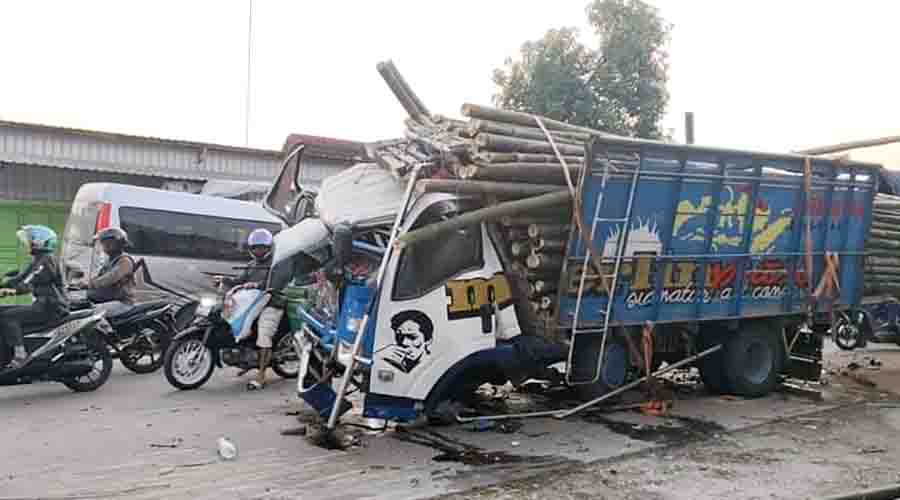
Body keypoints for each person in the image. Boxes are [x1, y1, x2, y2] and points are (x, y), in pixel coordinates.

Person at [0, 225, 69, 370]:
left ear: (41, 241)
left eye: (31, 240)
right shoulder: (39, 260)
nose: (28, 243)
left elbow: (28, 281)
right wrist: (4, 285)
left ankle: (20, 355)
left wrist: (11, 291)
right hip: (42, 304)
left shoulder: (46, 260)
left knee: (8, 317)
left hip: (51, 307)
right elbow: (21, 278)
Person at [222, 228, 282, 390]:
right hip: (252, 304)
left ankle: (261, 375)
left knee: (264, 335)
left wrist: (258, 285)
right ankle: (243, 355)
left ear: (269, 247)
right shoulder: (252, 264)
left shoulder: (276, 264)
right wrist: (224, 280)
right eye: (255, 247)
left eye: (262, 247)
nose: (258, 250)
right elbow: (239, 280)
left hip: (271, 304)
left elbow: (275, 284)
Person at [86, 228, 136, 312]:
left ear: (116, 243)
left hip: (122, 303)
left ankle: (104, 326)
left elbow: (109, 279)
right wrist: (83, 284)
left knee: (92, 312)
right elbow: (100, 277)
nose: (104, 246)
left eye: (106, 243)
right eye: (103, 243)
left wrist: (92, 283)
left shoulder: (125, 261)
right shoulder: (110, 260)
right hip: (108, 300)